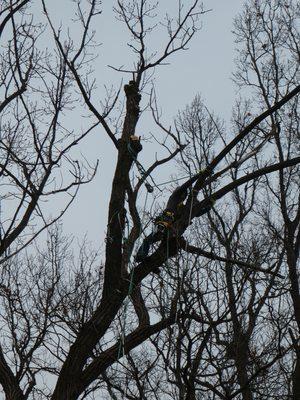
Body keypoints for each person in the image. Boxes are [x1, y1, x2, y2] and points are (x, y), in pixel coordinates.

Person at [135, 172, 214, 262]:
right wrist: (199, 175)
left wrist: (209, 206)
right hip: (166, 224)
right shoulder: (174, 197)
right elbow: (186, 185)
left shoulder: (183, 207)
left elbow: (197, 213)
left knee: (157, 244)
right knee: (149, 241)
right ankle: (143, 257)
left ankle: (147, 259)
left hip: (172, 228)